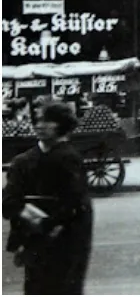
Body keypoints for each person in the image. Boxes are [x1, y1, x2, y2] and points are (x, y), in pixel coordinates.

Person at [2, 102, 94, 295]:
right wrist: (41, 223)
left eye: (48, 121)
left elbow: (75, 204)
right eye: (38, 120)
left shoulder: (70, 160)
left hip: (66, 243)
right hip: (36, 240)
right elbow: (9, 202)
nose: (41, 125)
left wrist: (36, 219)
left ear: (62, 125)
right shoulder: (23, 162)